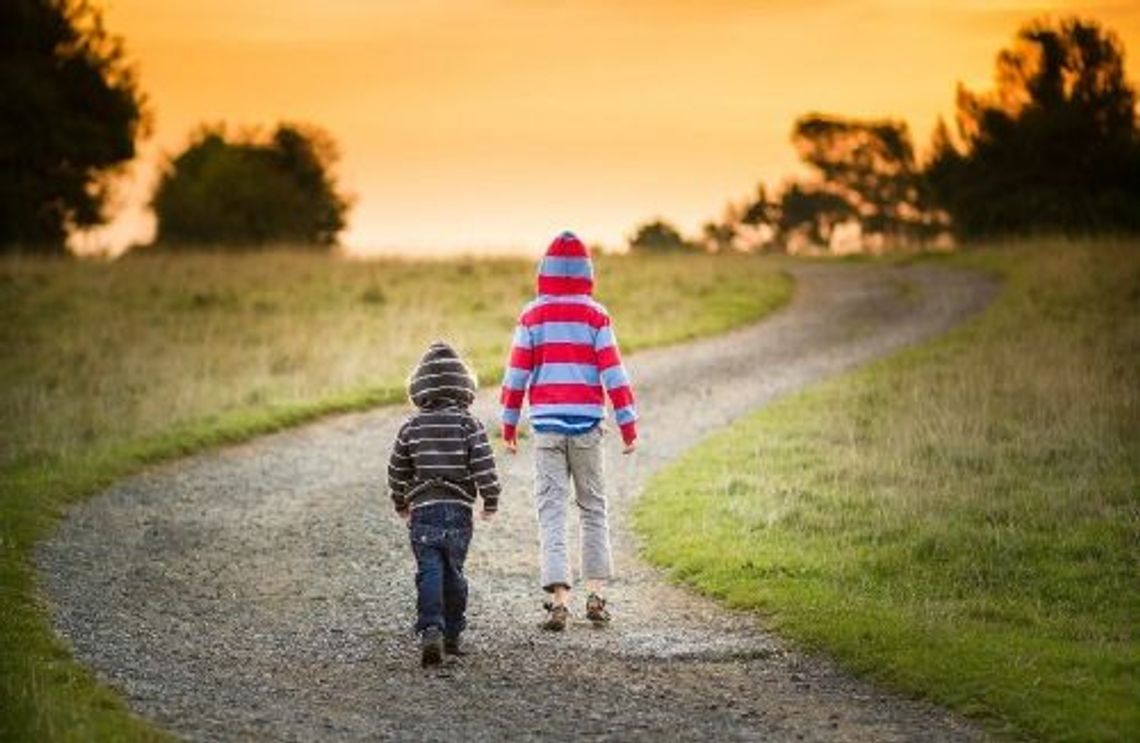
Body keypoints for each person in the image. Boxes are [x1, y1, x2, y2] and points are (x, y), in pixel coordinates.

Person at [500, 231, 637, 631]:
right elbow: (614, 374)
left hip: (545, 429)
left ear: (544, 272)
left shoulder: (532, 316)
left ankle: (560, 600)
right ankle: (596, 595)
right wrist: (628, 425)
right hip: (588, 428)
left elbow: (516, 374)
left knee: (552, 509)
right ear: (586, 273)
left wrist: (509, 424)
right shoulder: (596, 316)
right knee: (593, 507)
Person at [388, 341, 500, 666]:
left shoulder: (411, 427)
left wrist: (400, 500)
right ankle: (451, 635)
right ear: (465, 387)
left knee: (429, 569)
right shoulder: (469, 425)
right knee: (454, 570)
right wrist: (490, 499)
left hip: (423, 510)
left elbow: (397, 469)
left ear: (418, 387)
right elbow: (484, 466)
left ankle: (431, 629)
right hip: (459, 511)